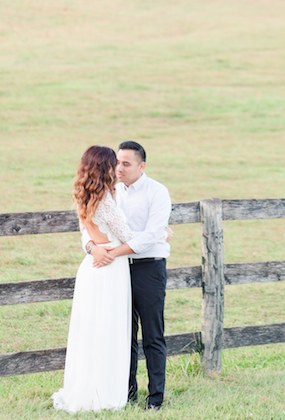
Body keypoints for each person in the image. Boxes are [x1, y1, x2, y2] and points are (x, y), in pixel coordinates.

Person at [52, 145, 137, 413]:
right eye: (114, 164)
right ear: (106, 168)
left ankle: (88, 388)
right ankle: (105, 394)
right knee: (108, 328)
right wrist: (162, 234)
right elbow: (129, 237)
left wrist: (93, 248)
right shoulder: (107, 201)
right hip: (110, 270)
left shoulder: (82, 195)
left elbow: (85, 235)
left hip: (92, 268)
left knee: (90, 329)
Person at [114, 141, 172, 411]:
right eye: (117, 162)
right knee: (125, 334)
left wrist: (115, 250)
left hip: (149, 267)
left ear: (141, 166)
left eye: (126, 163)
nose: (119, 168)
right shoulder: (111, 192)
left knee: (152, 335)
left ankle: (156, 399)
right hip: (119, 269)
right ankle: (127, 393)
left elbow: (151, 237)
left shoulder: (157, 191)